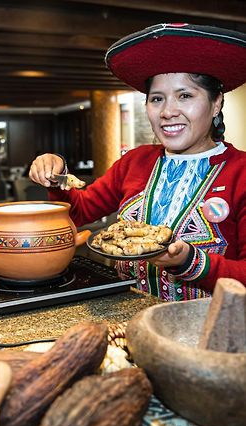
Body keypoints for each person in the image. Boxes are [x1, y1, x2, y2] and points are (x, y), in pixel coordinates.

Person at [28, 23, 246, 301]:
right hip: (128, 321)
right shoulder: (135, 161)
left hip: (207, 335)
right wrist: (57, 176)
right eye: (157, 99)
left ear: (216, 103)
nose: (167, 112)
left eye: (185, 96)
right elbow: (77, 213)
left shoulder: (241, 172)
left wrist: (192, 262)